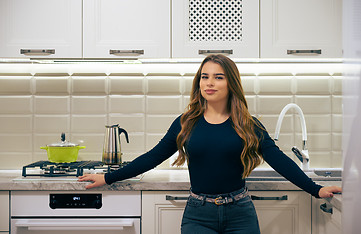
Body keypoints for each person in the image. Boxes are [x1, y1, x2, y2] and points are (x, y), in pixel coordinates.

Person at [78, 54, 342, 234]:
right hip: (198, 214)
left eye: (218, 77)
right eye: (205, 77)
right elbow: (152, 157)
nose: (209, 83)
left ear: (231, 83)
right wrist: (109, 177)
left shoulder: (249, 124)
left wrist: (315, 189)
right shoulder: (185, 122)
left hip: (240, 213)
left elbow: (281, 161)